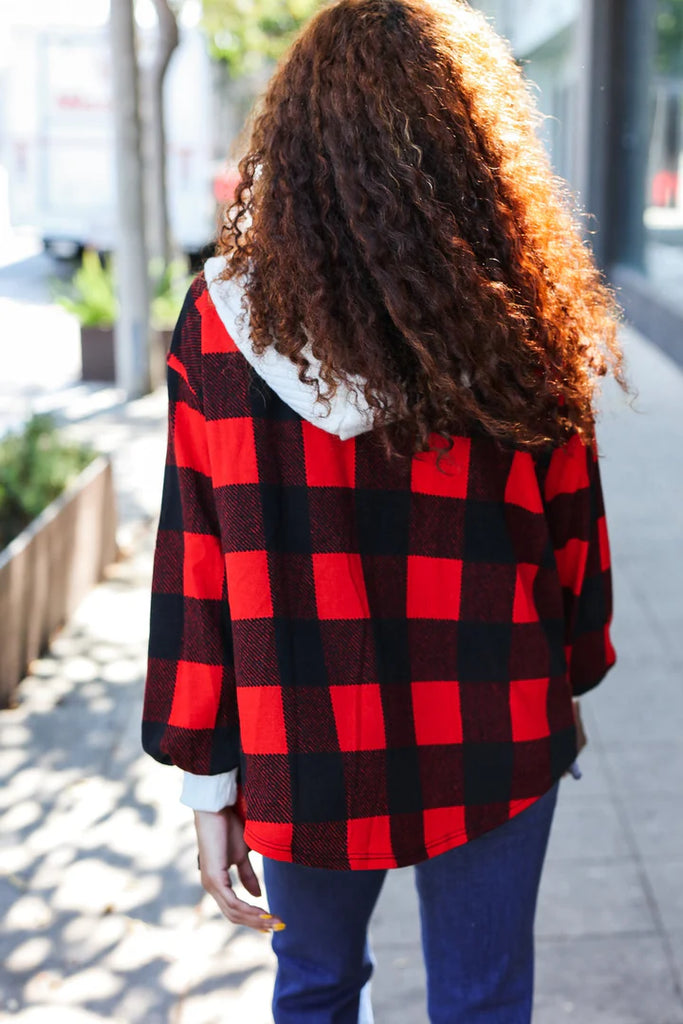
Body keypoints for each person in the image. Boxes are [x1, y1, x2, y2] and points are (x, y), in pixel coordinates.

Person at [142, 1, 626, 1021]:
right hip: (497, 717)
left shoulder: (221, 326)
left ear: (298, 142)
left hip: (300, 738)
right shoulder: (519, 314)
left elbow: (196, 569)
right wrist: (572, 673)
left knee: (315, 989)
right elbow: (573, 535)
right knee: (483, 1000)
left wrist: (206, 777)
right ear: (470, 144)